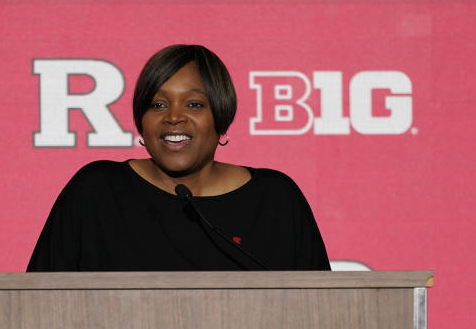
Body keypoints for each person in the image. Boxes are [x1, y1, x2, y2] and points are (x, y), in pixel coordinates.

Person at [26, 44, 330, 272]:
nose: (173, 117)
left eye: (194, 104)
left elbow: (321, 316)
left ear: (221, 118)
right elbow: (34, 306)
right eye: (158, 105)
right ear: (140, 121)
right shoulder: (96, 193)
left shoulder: (275, 200)